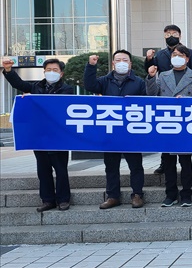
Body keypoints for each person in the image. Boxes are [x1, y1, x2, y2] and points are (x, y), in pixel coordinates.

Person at [2, 58, 73, 212]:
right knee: (43, 169)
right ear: (44, 72)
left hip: (58, 136)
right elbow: (19, 84)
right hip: (39, 136)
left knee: (61, 169)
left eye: (55, 70)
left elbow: (57, 105)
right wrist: (8, 71)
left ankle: (63, 200)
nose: (51, 73)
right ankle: (47, 200)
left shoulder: (67, 89)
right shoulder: (35, 87)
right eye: (48, 70)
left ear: (61, 74)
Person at [84, 50, 146, 209]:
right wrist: (91, 66)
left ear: (130, 63)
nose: (121, 62)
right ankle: (112, 196)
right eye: (118, 60)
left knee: (136, 165)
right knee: (111, 165)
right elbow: (90, 85)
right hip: (111, 130)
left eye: (125, 59)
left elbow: (146, 104)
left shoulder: (138, 82)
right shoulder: (105, 81)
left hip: (131, 131)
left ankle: (137, 194)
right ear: (113, 63)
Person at [146, 44, 192, 207]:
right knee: (168, 161)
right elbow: (151, 95)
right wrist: (150, 78)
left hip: (185, 124)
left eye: (180, 54)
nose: (176, 57)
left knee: (186, 161)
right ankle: (170, 194)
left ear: (187, 58)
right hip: (167, 123)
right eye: (174, 54)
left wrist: (185, 99)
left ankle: (186, 194)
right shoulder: (163, 75)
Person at [145, 24, 192, 175]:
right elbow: (151, 73)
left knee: (184, 152)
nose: (171, 35)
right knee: (167, 139)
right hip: (166, 99)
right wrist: (149, 60)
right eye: (168, 33)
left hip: (184, 98)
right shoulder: (160, 55)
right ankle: (164, 164)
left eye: (174, 33)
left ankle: (186, 189)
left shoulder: (189, 53)